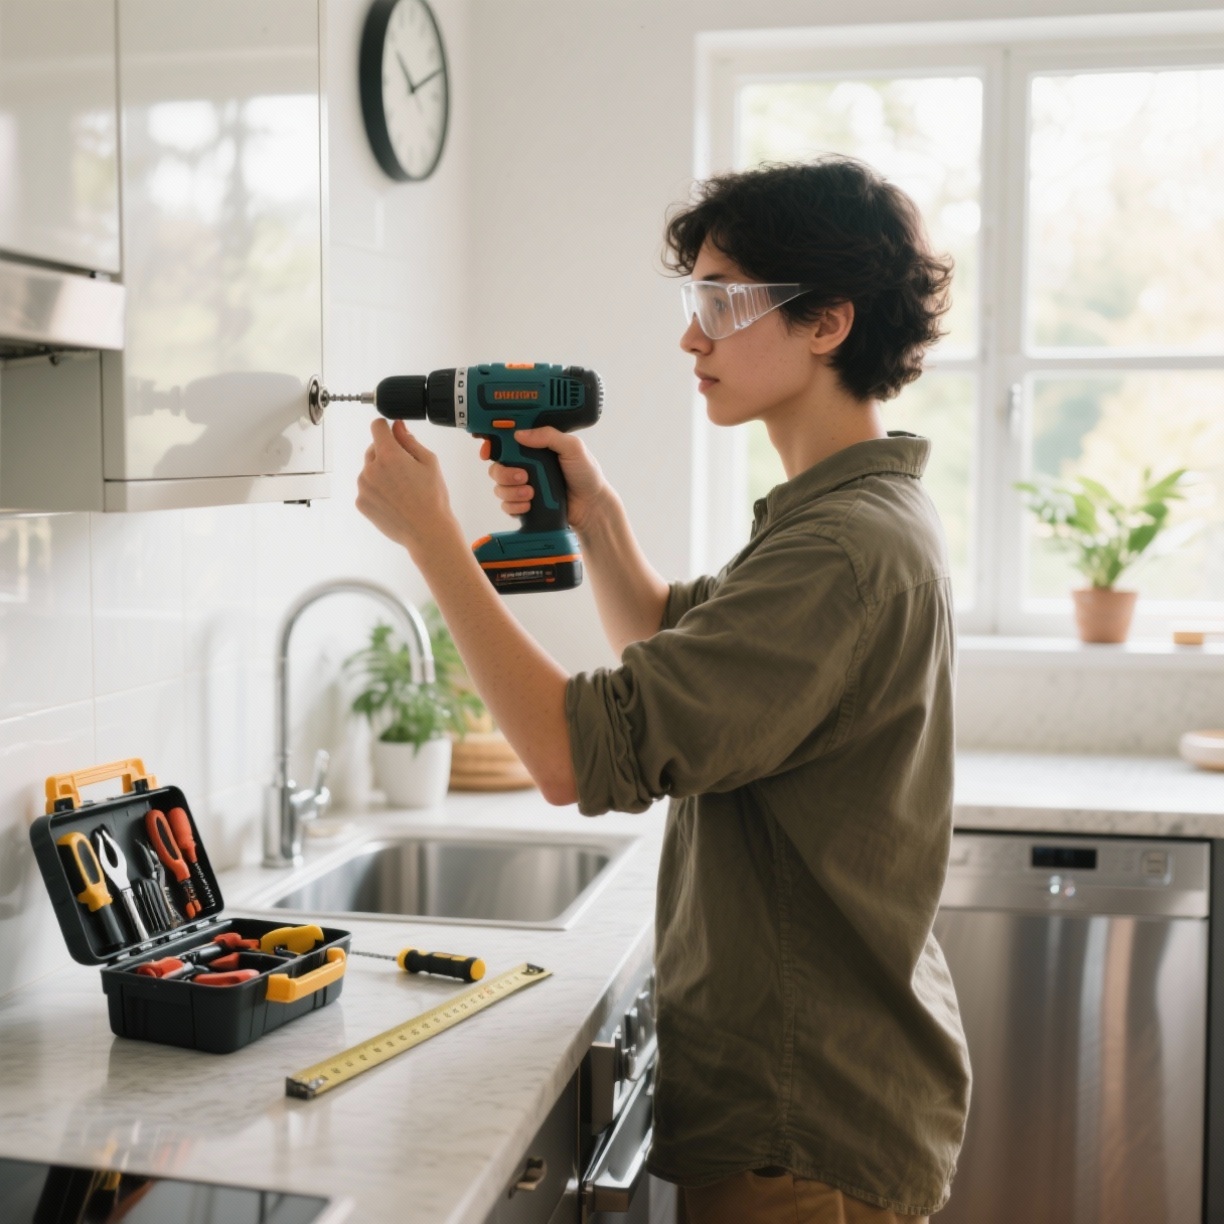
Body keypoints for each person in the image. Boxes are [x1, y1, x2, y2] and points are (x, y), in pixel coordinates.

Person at [355, 155, 971, 1224]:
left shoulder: (842, 549)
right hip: (816, 1093)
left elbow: (567, 754)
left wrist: (433, 542)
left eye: (723, 302)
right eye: (696, 300)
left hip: (806, 1126)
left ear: (827, 322)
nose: (692, 336)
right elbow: (676, 638)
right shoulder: (845, 513)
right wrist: (593, 515)